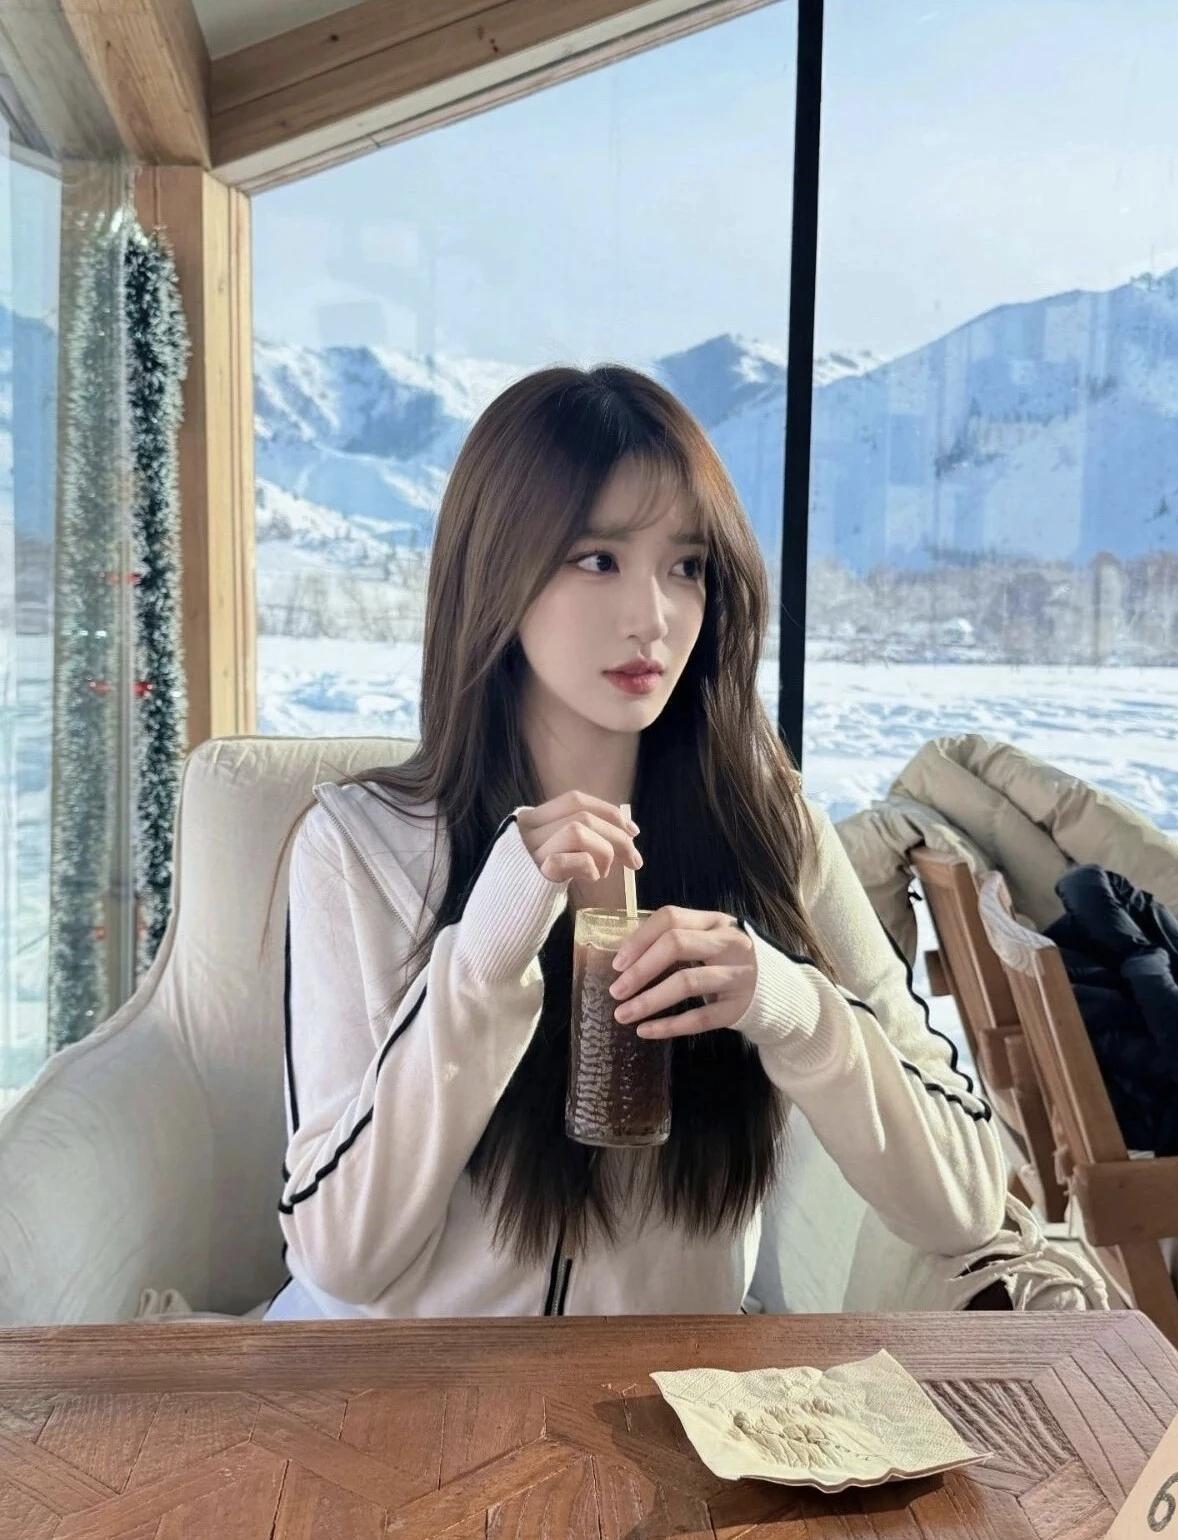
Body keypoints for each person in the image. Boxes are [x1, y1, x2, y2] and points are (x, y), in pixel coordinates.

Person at [260, 364, 1006, 1321]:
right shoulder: (362, 846)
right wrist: (481, 964)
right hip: (408, 1392)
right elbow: (338, 1259)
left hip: (668, 1390)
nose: (652, 617)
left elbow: (964, 1205)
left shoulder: (770, 834)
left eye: (685, 566)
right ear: (497, 573)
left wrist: (790, 1010)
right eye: (597, 559)